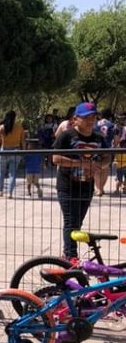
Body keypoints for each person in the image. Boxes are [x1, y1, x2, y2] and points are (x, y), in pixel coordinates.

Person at [52, 102, 111, 263]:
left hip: (87, 186)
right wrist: (81, 164)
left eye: (93, 117)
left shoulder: (99, 138)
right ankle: (71, 256)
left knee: (77, 222)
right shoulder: (67, 136)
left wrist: (99, 165)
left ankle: (68, 254)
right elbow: (55, 159)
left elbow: (108, 156)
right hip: (67, 185)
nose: (90, 121)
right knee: (71, 221)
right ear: (76, 119)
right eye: (86, 118)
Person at [0, 110, 25, 198]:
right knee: (12, 173)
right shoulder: (19, 127)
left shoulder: (2, 127)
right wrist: (24, 151)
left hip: (4, 150)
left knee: (1, 172)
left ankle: (0, 191)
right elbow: (23, 141)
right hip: (16, 151)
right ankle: (10, 193)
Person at [94, 108, 116, 195]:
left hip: (96, 148)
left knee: (97, 169)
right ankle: (101, 188)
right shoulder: (112, 125)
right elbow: (116, 138)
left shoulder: (95, 124)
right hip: (108, 148)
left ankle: (98, 188)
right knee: (105, 168)